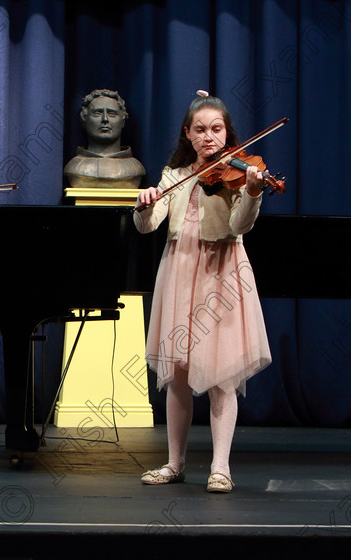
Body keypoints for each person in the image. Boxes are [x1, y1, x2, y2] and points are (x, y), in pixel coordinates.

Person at [134, 91, 271, 493]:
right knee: (176, 373)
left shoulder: (237, 171)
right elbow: (149, 225)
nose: (209, 136)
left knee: (221, 374)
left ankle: (220, 467)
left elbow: (240, 226)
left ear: (226, 132)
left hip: (221, 272)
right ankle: (175, 463)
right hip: (179, 269)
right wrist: (143, 204)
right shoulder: (174, 175)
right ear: (187, 134)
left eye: (216, 129)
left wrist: (251, 192)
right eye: (200, 129)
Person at [64, 89, 146, 189]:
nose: (105, 119)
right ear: (84, 119)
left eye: (112, 114)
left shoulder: (135, 169)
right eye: (97, 113)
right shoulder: (74, 167)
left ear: (123, 121)